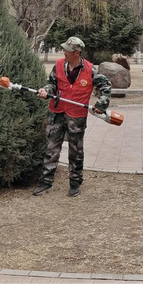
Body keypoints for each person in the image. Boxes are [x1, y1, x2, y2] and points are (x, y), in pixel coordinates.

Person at [32, 36, 112, 197]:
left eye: (67, 50)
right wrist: (46, 91)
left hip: (77, 116)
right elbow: (52, 84)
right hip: (57, 112)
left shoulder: (90, 70)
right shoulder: (60, 65)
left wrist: (101, 104)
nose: (64, 53)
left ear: (76, 52)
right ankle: (46, 181)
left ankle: (75, 183)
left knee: (76, 151)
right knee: (51, 148)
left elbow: (106, 86)